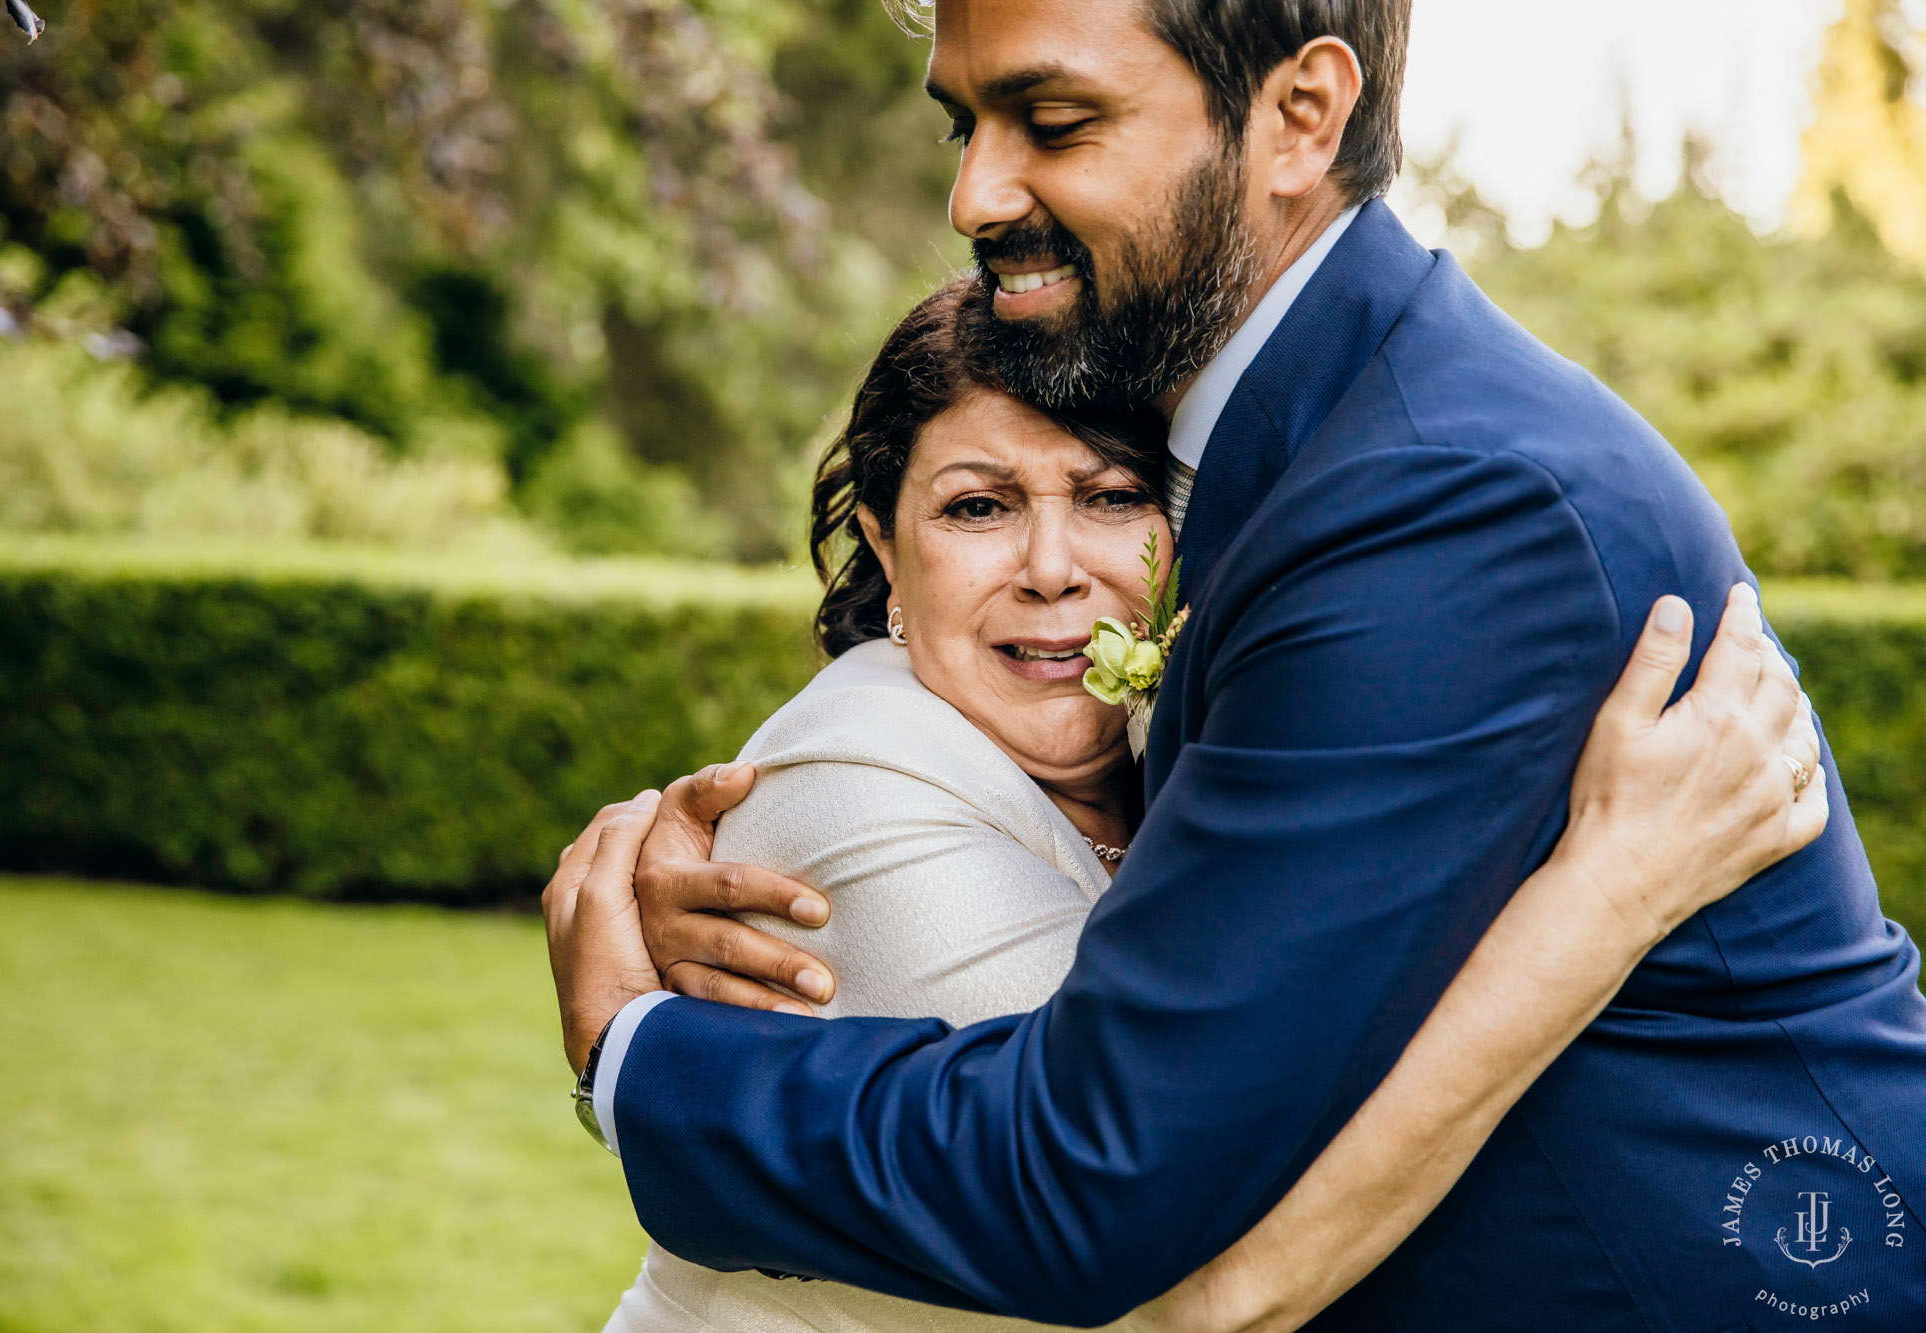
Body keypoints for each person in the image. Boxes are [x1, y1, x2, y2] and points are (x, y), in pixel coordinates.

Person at [549, 1, 1926, 1327]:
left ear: (1299, 117)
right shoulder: (1297, 452)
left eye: (1052, 117)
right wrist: (1602, 894)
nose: (975, 192)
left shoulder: (1438, 501)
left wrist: (636, 1051)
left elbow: (1099, 1174)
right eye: (966, 121)